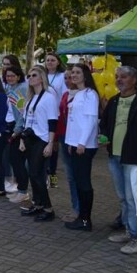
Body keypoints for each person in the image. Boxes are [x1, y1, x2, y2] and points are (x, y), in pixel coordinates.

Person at [100, 66, 137, 255]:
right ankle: (128, 230)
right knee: (124, 198)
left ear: (134, 80)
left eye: (123, 77)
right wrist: (105, 136)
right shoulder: (114, 100)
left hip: (134, 158)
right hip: (115, 156)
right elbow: (105, 123)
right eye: (117, 76)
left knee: (134, 200)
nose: (119, 80)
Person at [19, 66, 59, 222]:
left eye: (34, 75)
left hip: (42, 139)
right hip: (30, 139)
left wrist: (50, 144)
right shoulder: (31, 97)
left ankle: (48, 209)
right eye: (29, 75)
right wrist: (22, 140)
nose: (30, 78)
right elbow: (26, 121)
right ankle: (38, 205)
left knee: (37, 174)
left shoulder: (49, 97)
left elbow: (52, 122)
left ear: (42, 78)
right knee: (32, 174)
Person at [64, 64, 100, 232]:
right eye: (73, 73)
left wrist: (82, 143)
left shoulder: (90, 95)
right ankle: (81, 216)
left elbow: (91, 120)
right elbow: (73, 122)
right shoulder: (78, 94)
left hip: (85, 146)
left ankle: (86, 219)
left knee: (84, 182)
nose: (74, 75)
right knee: (78, 181)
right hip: (75, 143)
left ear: (86, 75)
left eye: (78, 72)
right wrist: (71, 142)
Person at [56, 70, 80, 222]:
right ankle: (75, 207)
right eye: (65, 78)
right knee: (70, 176)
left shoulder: (83, 95)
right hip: (63, 138)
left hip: (75, 140)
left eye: (70, 77)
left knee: (77, 176)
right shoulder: (65, 95)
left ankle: (80, 209)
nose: (67, 80)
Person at [4, 66, 30, 204]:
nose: (10, 78)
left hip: (19, 130)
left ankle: (23, 191)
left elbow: (22, 112)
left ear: (19, 76)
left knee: (18, 161)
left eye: (12, 76)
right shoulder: (10, 89)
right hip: (12, 127)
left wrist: (17, 130)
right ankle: (21, 190)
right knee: (14, 160)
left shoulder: (21, 89)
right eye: (8, 76)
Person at [44, 52, 67, 188]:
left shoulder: (62, 77)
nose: (50, 62)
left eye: (53, 60)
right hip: (42, 115)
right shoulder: (42, 75)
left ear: (58, 62)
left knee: (53, 148)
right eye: (47, 60)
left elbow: (64, 95)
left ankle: (53, 178)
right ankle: (44, 174)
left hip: (56, 114)